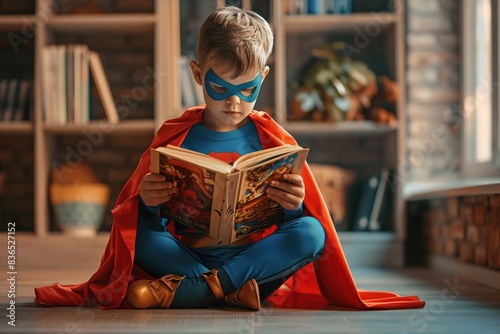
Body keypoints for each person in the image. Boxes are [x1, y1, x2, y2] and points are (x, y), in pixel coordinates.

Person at [34, 6, 425, 311]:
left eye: (248, 89)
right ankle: (221, 291)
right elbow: (143, 222)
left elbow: (296, 224)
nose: (234, 102)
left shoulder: (271, 139)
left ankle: (198, 292)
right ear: (197, 73)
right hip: (187, 255)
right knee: (135, 233)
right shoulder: (175, 136)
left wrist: (292, 205)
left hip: (253, 262)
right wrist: (150, 204)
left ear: (264, 77)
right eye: (219, 88)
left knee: (312, 233)